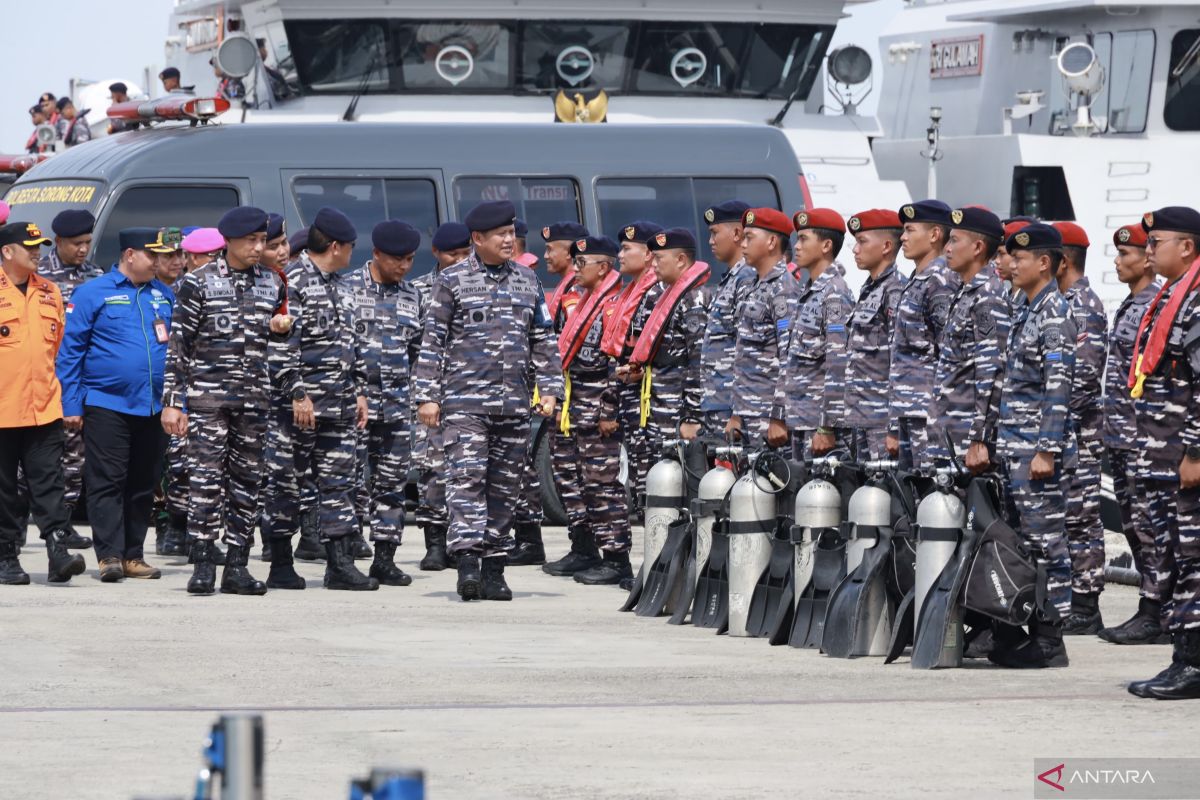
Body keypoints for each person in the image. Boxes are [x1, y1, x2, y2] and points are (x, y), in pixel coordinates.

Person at [413, 200, 561, 602]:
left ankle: (495, 568)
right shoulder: (453, 280)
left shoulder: (527, 280)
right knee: (466, 482)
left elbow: (543, 339)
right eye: (499, 235)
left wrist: (550, 389)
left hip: (513, 405)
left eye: (511, 233)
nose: (509, 240)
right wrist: (427, 396)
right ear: (477, 239)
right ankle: (467, 564)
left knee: (504, 488)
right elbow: (433, 341)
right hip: (464, 405)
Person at [162, 207, 287, 596]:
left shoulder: (273, 282)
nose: (257, 247)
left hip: (254, 401)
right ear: (228, 242)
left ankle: (237, 565)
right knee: (205, 482)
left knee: (248, 484)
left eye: (262, 240)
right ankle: (202, 562)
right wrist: (172, 401)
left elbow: (277, 345)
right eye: (250, 240)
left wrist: (281, 334)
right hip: (208, 401)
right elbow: (178, 347)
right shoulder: (197, 283)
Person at [57, 228, 175, 583]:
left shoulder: (163, 295)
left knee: (144, 481)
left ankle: (133, 555)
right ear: (129, 255)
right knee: (107, 480)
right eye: (151, 255)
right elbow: (70, 352)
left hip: (153, 406)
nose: (159, 263)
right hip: (107, 403)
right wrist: (71, 403)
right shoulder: (93, 292)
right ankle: (109, 554)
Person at [269, 207, 376, 591]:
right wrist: (297, 392)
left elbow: (354, 344)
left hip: (340, 406)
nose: (352, 254)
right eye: (349, 247)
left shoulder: (343, 286)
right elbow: (282, 347)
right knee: (286, 484)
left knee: (339, 485)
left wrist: (360, 390)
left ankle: (339, 565)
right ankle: (280, 562)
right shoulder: (291, 283)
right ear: (334, 246)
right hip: (300, 409)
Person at [990, 222, 1076, 669]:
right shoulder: (1026, 309)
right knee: (1022, 544)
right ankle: (1024, 630)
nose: (1010, 265)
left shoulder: (1055, 314)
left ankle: (1050, 638)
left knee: (1047, 546)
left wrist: (1046, 450)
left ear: (1043, 263)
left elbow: (1058, 389)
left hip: (1036, 454)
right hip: (1014, 448)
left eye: (1019, 258)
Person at [1125, 206, 1200, 700]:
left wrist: (1195, 451)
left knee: (1193, 560)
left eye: (1158, 243)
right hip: (1161, 456)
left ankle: (1191, 663)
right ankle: (1183, 657)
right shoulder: (1175, 296)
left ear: (1187, 248)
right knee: (1173, 556)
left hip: (1185, 458)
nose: (1149, 251)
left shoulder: (1196, 303)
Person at [0, 221, 86, 585]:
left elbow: (61, 353)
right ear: (7, 252)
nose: (37, 252)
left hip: (44, 408)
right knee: (4, 489)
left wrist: (68, 401)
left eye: (39, 246)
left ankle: (56, 549)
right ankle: (6, 555)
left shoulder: (50, 292)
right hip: (3, 410)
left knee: (49, 482)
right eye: (29, 246)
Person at [347, 220, 426, 587]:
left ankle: (385, 558)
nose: (405, 267)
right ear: (376, 254)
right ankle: (344, 555)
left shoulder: (413, 297)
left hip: (396, 407)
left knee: (391, 485)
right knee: (348, 481)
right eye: (397, 259)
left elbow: (420, 353)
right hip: (353, 407)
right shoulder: (347, 290)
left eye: (410, 259)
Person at [1099, 223, 1165, 645]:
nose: (1119, 262)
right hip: (1120, 434)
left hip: (1142, 436)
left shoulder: (1155, 305)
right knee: (1132, 525)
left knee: (1149, 527)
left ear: (1147, 259)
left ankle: (1155, 611)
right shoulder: (1132, 304)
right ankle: (1152, 607)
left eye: (1127, 255)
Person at [552, 234, 631, 585]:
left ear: (604, 268)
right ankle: (585, 548)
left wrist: (608, 411)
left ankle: (616, 559)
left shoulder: (611, 304)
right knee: (575, 482)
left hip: (597, 407)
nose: (577, 269)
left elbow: (616, 363)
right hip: (575, 405)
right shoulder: (582, 302)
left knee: (603, 486)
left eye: (583, 264)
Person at [1051, 221, 1110, 635]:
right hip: (1060, 432)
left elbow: (1084, 378)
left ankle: (1086, 606)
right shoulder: (1058, 302)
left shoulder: (1082, 304)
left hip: (1079, 433)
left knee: (1081, 517)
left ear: (1063, 259)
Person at [524, 220, 589, 570]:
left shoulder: (576, 291)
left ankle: (585, 549)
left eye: (553, 249)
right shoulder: (565, 287)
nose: (546, 255)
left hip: (574, 396)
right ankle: (580, 547)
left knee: (574, 473)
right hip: (562, 395)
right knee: (565, 473)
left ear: (573, 250)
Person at [38, 209, 104, 545]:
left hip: (82, 377)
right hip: (44, 376)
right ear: (59, 241)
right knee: (36, 457)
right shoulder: (39, 275)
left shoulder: (96, 275)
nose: (83, 249)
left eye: (88, 243)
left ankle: (62, 524)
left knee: (75, 456)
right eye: (76, 243)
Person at [928, 208, 1010, 471]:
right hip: (948, 431)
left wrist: (980, 438)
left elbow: (991, 371)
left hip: (967, 439)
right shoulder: (964, 292)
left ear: (977, 247)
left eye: (954, 240)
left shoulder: (988, 296)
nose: (947, 248)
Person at [411, 222, 471, 571]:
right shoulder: (419, 290)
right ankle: (434, 542)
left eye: (466, 254)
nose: (460, 260)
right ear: (436, 253)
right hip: (430, 392)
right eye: (453, 254)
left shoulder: (480, 286)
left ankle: (463, 542)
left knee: (467, 471)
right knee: (431, 468)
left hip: (470, 391)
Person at [886, 200, 959, 471]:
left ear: (934, 234)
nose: (902, 237)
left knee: (930, 495)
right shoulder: (918, 279)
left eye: (909, 230)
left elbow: (948, 352)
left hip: (928, 412)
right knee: (910, 496)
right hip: (908, 410)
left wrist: (938, 414)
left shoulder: (941, 281)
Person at [775, 208, 853, 457]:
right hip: (798, 419)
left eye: (804, 239)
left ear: (826, 245)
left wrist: (826, 425)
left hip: (817, 425)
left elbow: (838, 362)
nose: (796, 246)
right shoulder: (807, 292)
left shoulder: (835, 293)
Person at [602, 221, 663, 517]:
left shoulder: (655, 294)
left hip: (646, 400)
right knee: (639, 477)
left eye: (627, 248)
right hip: (628, 395)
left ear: (649, 254)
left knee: (651, 479)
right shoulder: (630, 293)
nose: (620, 255)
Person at [631, 228, 711, 446]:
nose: (653, 264)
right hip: (660, 408)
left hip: (679, 413)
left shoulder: (694, 299)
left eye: (658, 258)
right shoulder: (667, 294)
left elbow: (699, 361)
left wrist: (692, 415)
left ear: (681, 260)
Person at [728, 207, 801, 442]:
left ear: (771, 242)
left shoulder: (784, 289)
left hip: (768, 417)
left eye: (749, 238)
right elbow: (743, 357)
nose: (743, 244)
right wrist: (737, 413)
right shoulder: (753, 286)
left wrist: (779, 416)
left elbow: (790, 357)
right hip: (747, 415)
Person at [841, 209, 905, 459]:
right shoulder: (869, 289)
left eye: (862, 241)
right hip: (860, 418)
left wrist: (894, 426)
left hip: (881, 421)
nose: (855, 250)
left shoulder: (895, 291)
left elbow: (899, 362)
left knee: (882, 495)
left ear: (887, 246)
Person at [698, 200, 752, 436]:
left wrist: (738, 412)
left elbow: (747, 348)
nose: (710, 241)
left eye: (714, 233)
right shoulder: (731, 278)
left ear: (737, 233)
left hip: (732, 405)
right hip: (718, 400)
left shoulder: (746, 278)